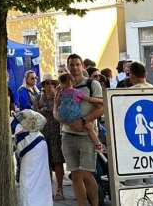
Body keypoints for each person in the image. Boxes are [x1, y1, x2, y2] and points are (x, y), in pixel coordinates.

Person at [55, 54, 103, 206]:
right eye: (71, 65)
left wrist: (83, 121)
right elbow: (56, 109)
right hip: (68, 136)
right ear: (67, 67)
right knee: (75, 176)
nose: (74, 67)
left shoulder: (92, 84)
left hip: (86, 135)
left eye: (77, 64)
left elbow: (101, 107)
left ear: (82, 66)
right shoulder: (61, 86)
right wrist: (65, 122)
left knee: (87, 175)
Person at [13, 109, 52, 206]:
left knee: (27, 182)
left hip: (31, 149)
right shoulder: (35, 130)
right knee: (41, 181)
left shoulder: (17, 125)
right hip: (39, 145)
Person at [55, 73, 103, 151]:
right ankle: (98, 144)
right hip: (74, 116)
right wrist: (100, 100)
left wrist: (57, 91)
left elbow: (56, 101)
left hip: (63, 116)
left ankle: (63, 130)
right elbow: (89, 99)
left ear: (63, 83)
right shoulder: (77, 92)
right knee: (89, 127)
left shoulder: (61, 93)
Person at [35, 78, 65, 201]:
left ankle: (59, 188)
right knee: (45, 161)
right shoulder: (38, 98)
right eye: (47, 83)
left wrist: (45, 110)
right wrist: (49, 110)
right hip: (42, 132)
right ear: (43, 86)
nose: (50, 86)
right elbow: (36, 113)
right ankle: (48, 188)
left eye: (52, 83)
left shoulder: (59, 97)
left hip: (56, 132)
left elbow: (58, 112)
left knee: (57, 160)